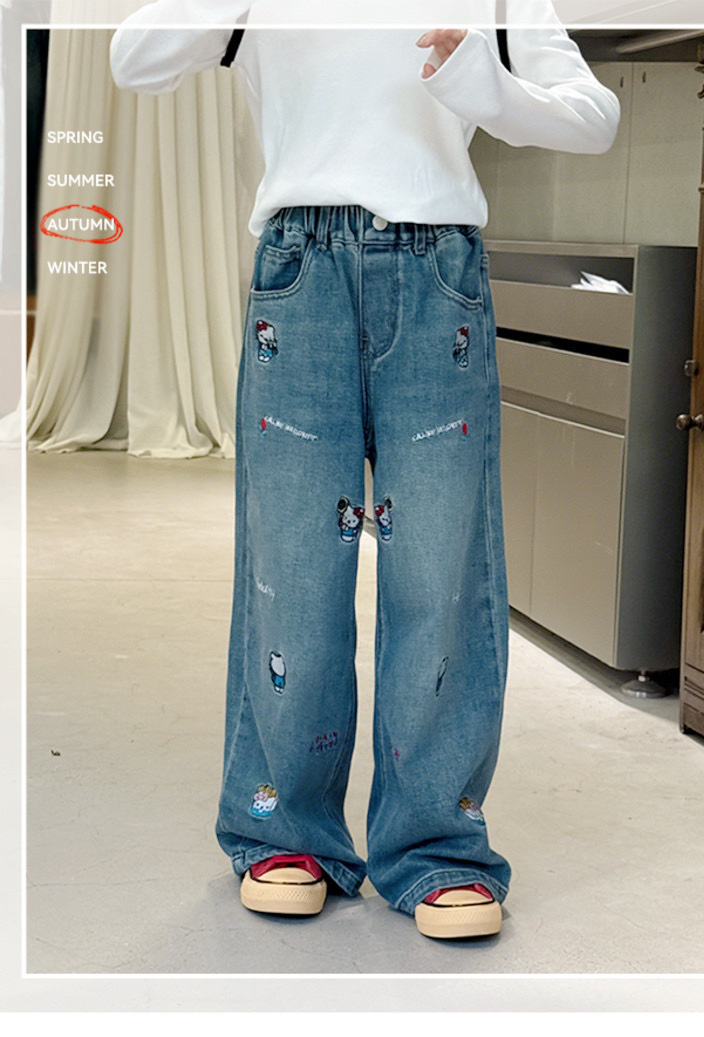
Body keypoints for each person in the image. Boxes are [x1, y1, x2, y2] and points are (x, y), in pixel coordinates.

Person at [110, 0, 620, 941]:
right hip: (300, 273)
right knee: (293, 569)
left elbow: (594, 118)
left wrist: (483, 84)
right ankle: (285, 828)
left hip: (438, 276)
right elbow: (133, 57)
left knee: (442, 573)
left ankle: (437, 844)